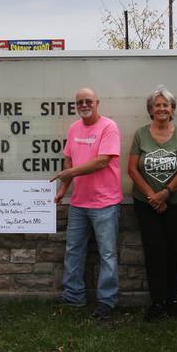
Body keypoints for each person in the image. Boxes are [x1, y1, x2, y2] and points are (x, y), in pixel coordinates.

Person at [52, 87, 122, 320]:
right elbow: (69, 158)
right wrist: (64, 188)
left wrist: (68, 172)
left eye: (88, 101)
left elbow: (102, 161)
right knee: (73, 249)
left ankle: (106, 301)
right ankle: (74, 295)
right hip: (79, 202)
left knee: (107, 253)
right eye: (79, 102)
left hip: (105, 202)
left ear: (97, 102)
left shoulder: (108, 127)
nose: (84, 105)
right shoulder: (74, 128)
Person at [127, 86, 177, 321]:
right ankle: (157, 302)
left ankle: (173, 301)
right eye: (157, 105)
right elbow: (132, 169)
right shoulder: (140, 134)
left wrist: (166, 193)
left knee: (175, 251)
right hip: (146, 203)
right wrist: (152, 196)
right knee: (153, 251)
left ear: (172, 109)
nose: (162, 108)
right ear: (150, 110)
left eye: (166, 105)